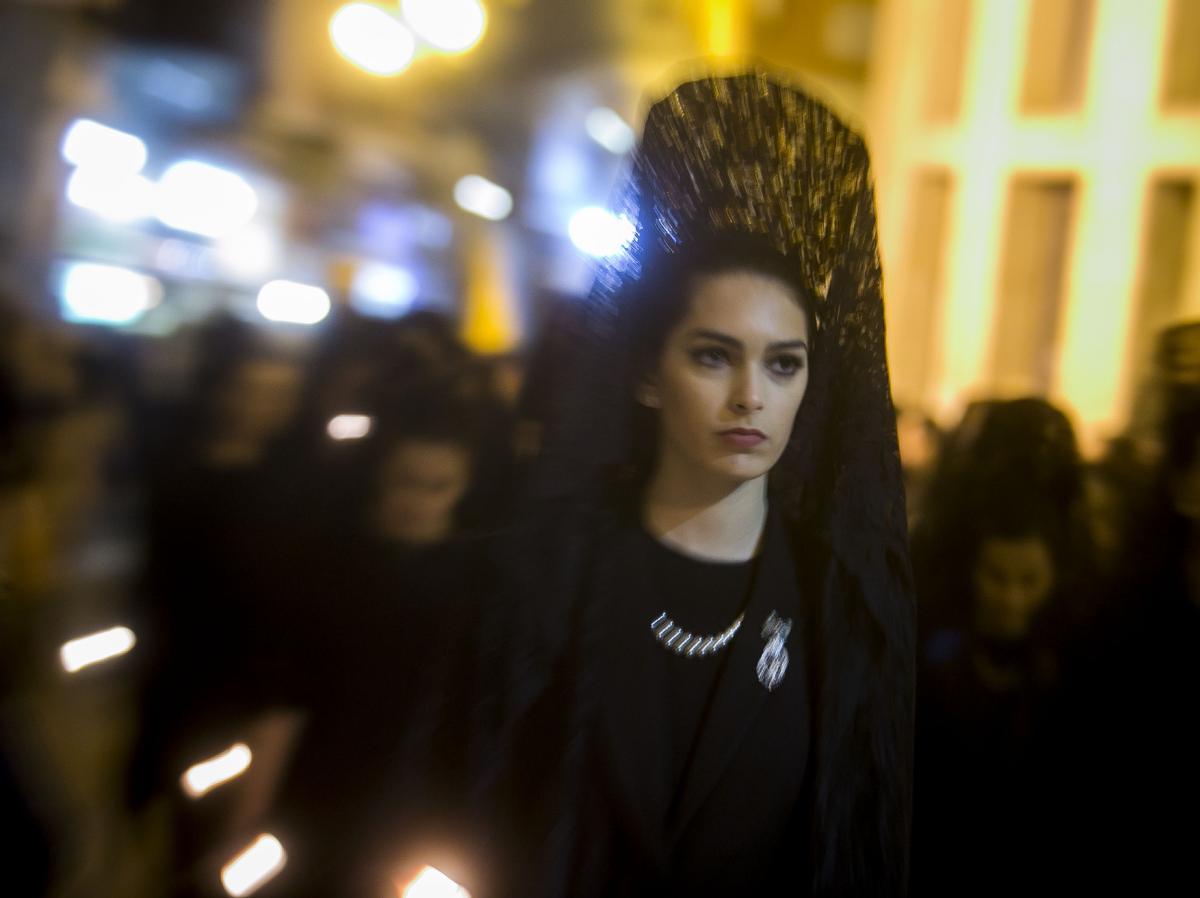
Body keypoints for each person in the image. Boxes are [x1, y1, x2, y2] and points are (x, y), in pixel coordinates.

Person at [477, 69, 916, 898]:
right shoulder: (547, 572)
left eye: (783, 364)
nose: (751, 394)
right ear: (647, 372)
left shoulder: (836, 603)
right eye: (713, 355)